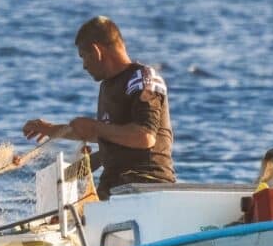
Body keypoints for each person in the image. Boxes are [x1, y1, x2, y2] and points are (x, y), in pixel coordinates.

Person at [23, 16, 176, 199]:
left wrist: (95, 127)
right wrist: (50, 130)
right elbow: (109, 137)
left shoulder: (141, 78)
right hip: (113, 189)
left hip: (148, 187)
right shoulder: (107, 86)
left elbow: (145, 137)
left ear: (96, 51)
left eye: (83, 57)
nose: (84, 66)